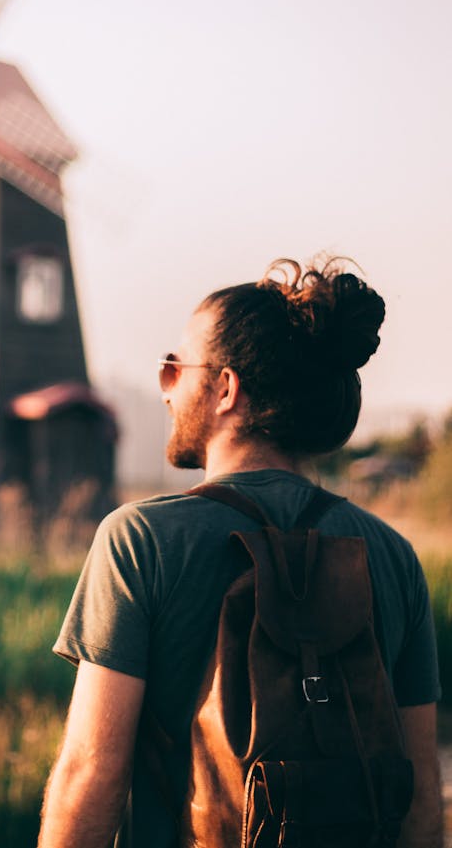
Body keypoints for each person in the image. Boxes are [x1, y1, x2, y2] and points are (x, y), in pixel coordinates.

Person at [37, 257, 443, 848]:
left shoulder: (140, 540)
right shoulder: (392, 555)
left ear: (225, 388)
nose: (166, 384)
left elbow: (90, 776)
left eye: (176, 366)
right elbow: (421, 795)